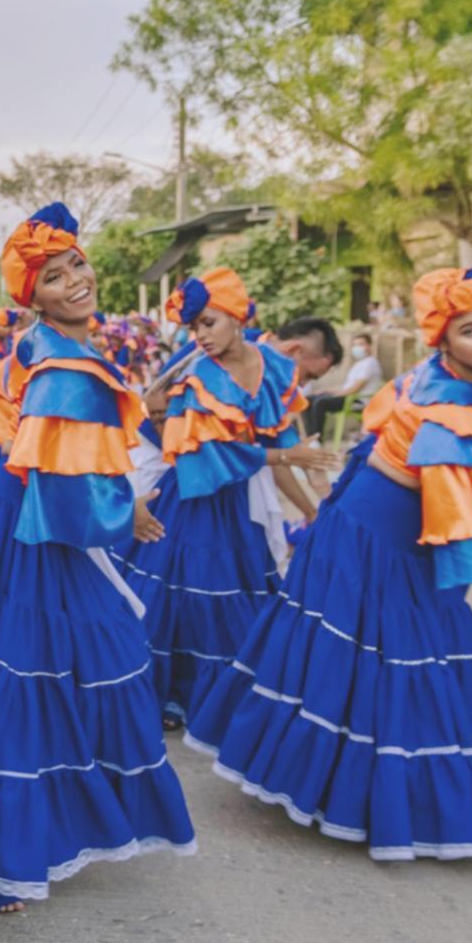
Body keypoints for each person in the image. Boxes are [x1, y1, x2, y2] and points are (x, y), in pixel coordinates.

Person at [0, 203, 196, 914]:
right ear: (30, 296)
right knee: (21, 681)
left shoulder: (40, 345)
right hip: (27, 530)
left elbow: (16, 435)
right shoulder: (65, 363)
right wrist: (130, 511)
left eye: (77, 267)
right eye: (54, 277)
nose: (75, 282)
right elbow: (65, 487)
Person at [186, 267, 472, 862]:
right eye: (470, 330)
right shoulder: (447, 396)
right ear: (444, 341)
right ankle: (382, 799)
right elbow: (455, 508)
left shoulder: (441, 379)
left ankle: (361, 789)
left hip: (373, 521)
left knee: (376, 655)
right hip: (375, 531)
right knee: (397, 657)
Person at [113, 269, 340, 731]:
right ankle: (168, 699)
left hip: (235, 501)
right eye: (195, 326)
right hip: (192, 497)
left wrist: (316, 501)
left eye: (209, 322)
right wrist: (286, 455)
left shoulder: (274, 368)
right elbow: (207, 456)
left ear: (238, 317)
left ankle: (223, 704)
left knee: (231, 599)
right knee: (180, 599)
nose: (200, 335)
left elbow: (283, 441)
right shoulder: (195, 375)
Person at [304, 331, 384, 438]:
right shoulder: (359, 364)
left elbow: (354, 389)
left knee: (320, 402)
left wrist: (333, 395)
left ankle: (317, 438)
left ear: (369, 346)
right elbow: (346, 387)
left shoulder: (370, 364)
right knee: (309, 399)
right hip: (348, 396)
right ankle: (309, 436)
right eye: (355, 345)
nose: (357, 348)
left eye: (361, 344)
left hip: (357, 400)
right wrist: (326, 391)